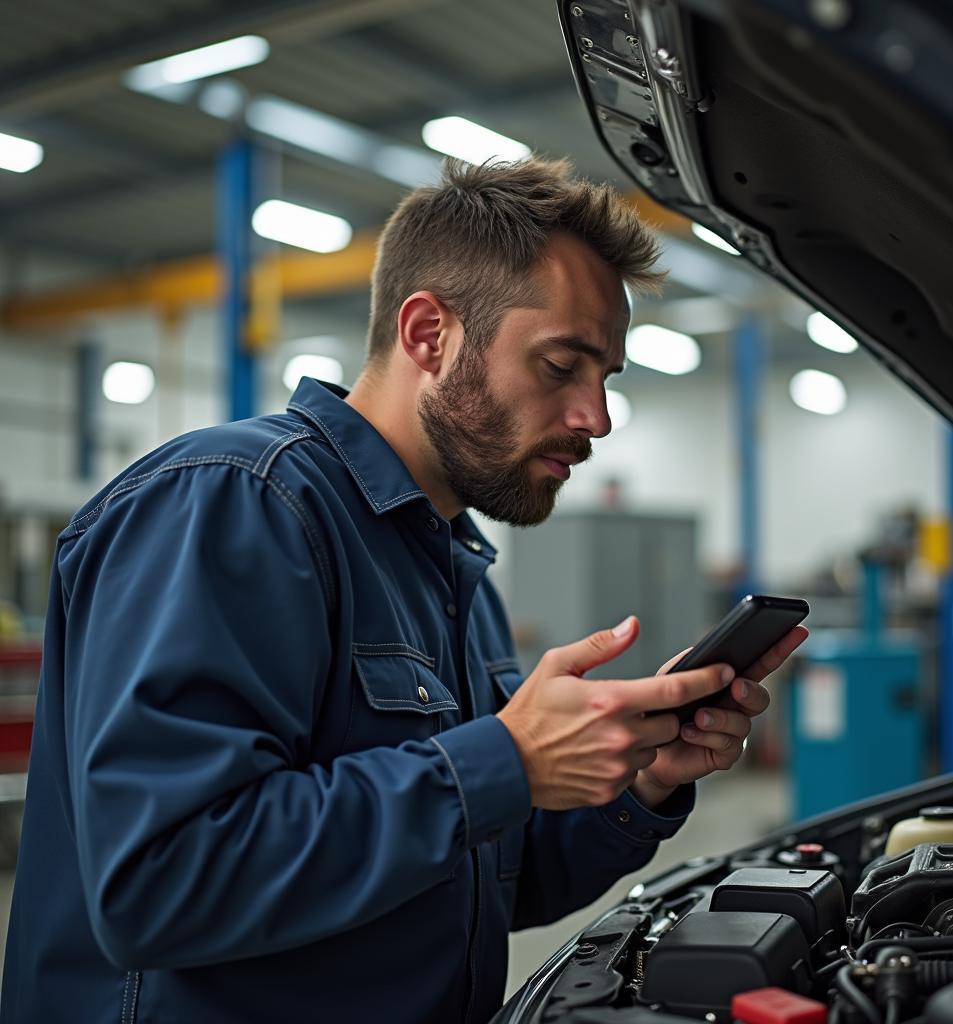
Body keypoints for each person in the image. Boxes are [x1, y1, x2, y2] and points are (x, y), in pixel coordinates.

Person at [1, 158, 807, 1023]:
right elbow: (161, 880)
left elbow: (480, 876)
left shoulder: (452, 566)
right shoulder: (237, 503)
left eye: (604, 377)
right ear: (429, 334)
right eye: (561, 365)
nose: (596, 418)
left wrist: (642, 780)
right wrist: (504, 760)